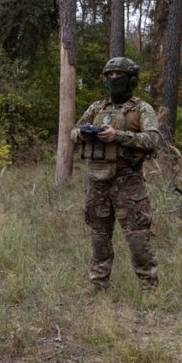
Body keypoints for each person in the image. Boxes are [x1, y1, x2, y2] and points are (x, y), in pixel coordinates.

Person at [71, 56, 161, 292]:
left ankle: (149, 287)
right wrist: (83, 134)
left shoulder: (141, 109)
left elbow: (153, 139)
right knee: (99, 236)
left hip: (128, 181)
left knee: (137, 237)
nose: (113, 79)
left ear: (131, 80)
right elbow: (74, 131)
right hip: (97, 181)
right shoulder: (97, 108)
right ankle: (98, 284)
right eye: (110, 75)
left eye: (119, 75)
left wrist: (117, 136)